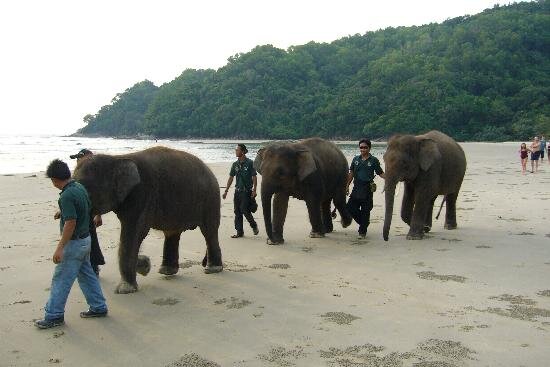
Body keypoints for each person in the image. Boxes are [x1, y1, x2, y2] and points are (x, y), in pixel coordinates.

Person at [35, 159, 108, 329]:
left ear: (54, 179)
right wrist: (63, 211)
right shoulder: (78, 187)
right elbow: (85, 206)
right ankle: (98, 306)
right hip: (86, 240)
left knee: (61, 279)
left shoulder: (67, 195)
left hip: (74, 244)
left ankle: (54, 315)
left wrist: (60, 248)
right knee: (87, 276)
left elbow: (71, 223)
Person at [66, 148, 105, 275]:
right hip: (78, 212)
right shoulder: (78, 173)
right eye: (77, 158)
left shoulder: (93, 175)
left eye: (80, 158)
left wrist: (98, 214)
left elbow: (100, 196)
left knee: (90, 239)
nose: (78, 161)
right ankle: (87, 267)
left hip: (89, 212)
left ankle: (93, 267)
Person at [346, 138, 385, 239]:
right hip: (356, 187)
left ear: (369, 148)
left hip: (367, 188)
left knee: (365, 210)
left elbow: (380, 173)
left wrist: (391, 178)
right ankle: (364, 223)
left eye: (365, 147)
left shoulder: (374, 160)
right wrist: (346, 186)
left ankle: (362, 232)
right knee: (350, 208)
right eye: (361, 147)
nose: (363, 149)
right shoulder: (356, 160)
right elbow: (351, 173)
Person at [222, 144, 259, 238]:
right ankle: (239, 232)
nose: (236, 151)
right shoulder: (235, 164)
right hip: (237, 191)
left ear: (242, 152)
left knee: (244, 210)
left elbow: (254, 176)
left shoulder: (250, 163)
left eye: (237, 150)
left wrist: (254, 190)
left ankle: (254, 225)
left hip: (246, 191)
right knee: (237, 211)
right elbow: (231, 177)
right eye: (236, 150)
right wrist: (226, 190)